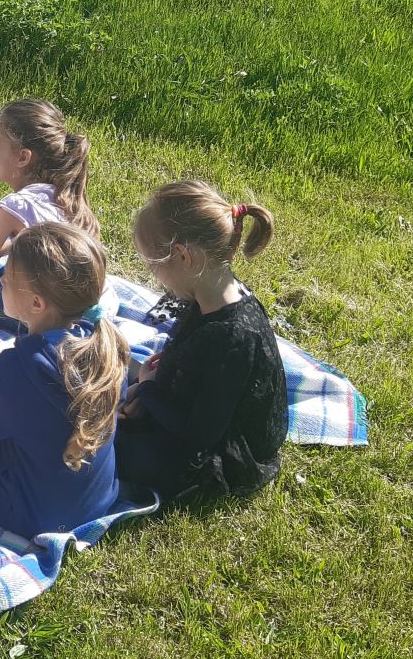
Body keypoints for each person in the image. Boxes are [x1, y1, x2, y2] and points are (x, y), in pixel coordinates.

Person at [0, 222, 128, 539]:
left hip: (34, 515)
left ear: (37, 303)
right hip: (95, 503)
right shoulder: (106, 347)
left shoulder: (13, 372)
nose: (0, 282)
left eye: (7, 279)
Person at [115, 180, 287, 500]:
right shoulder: (213, 293)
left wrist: (150, 392)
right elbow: (194, 368)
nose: (155, 277)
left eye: (154, 267)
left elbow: (200, 434)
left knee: (105, 447)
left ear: (183, 256)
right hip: (194, 417)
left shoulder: (232, 338)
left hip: (215, 455)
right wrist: (151, 387)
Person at [0, 99, 98, 335]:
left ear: (23, 158)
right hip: (83, 310)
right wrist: (1, 250)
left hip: (48, 315)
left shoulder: (16, 206)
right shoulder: (63, 195)